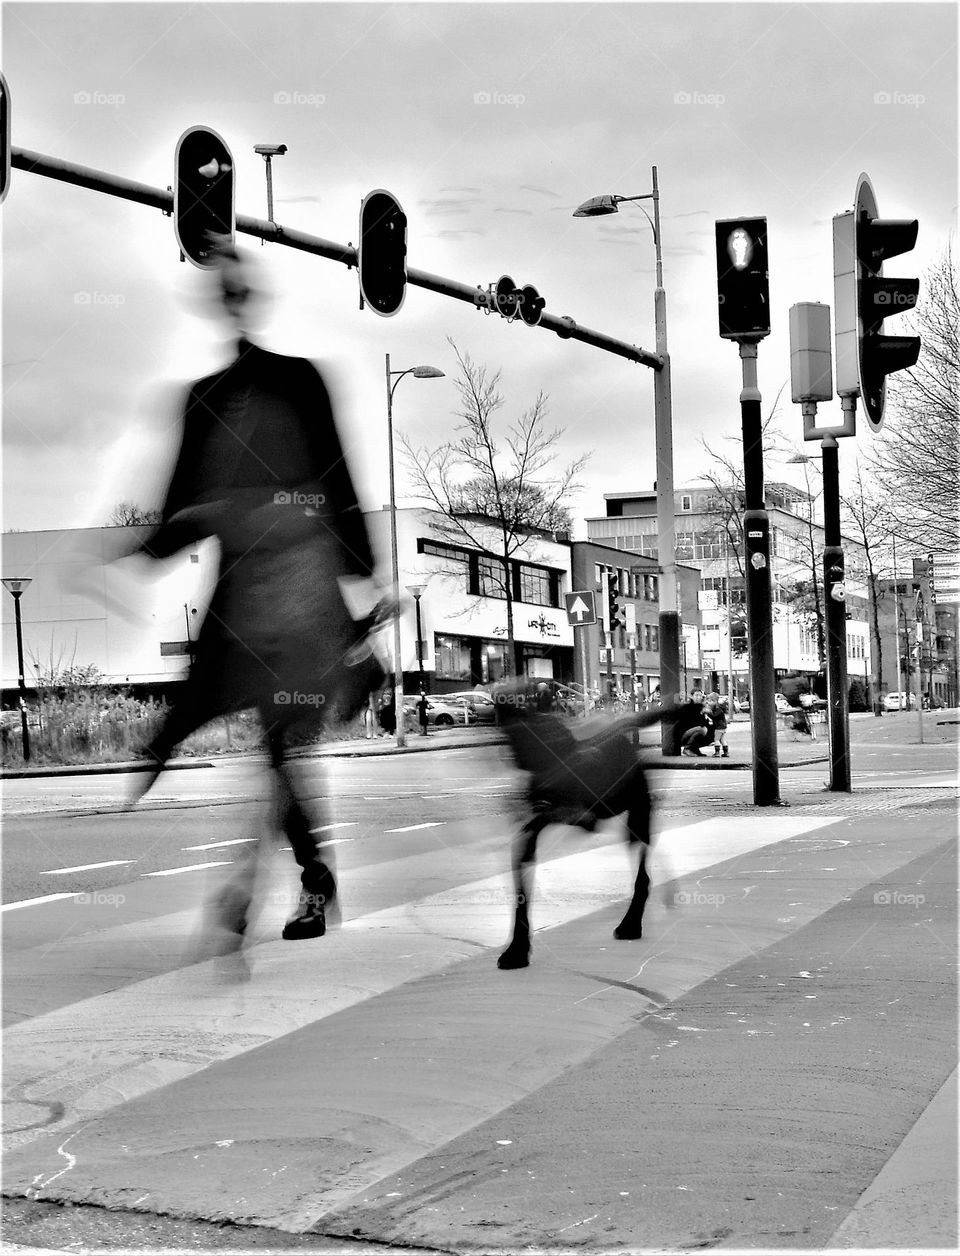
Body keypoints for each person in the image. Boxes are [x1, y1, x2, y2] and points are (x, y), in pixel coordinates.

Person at [124, 240, 387, 945]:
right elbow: (182, 498)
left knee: (280, 745)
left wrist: (363, 579)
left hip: (302, 591)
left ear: (251, 297)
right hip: (244, 600)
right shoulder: (203, 398)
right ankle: (306, 880)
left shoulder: (301, 380)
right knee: (271, 747)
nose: (233, 298)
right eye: (224, 288)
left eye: (240, 287)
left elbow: (337, 476)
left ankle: (291, 883)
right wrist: (136, 546)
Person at [677, 688, 714, 756]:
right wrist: (701, 713)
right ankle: (687, 748)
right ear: (692, 696)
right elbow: (688, 722)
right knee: (702, 730)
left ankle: (695, 749)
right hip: (684, 733)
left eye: (700, 695)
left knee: (712, 732)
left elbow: (705, 722)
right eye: (696, 695)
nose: (698, 697)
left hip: (694, 730)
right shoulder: (687, 707)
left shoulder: (701, 707)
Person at [707, 692, 729, 757]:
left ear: (715, 701)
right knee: (722, 740)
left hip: (719, 727)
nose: (709, 702)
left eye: (711, 701)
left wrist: (708, 713)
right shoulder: (718, 708)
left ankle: (717, 752)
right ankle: (726, 752)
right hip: (723, 727)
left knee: (716, 740)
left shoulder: (718, 709)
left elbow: (715, 716)